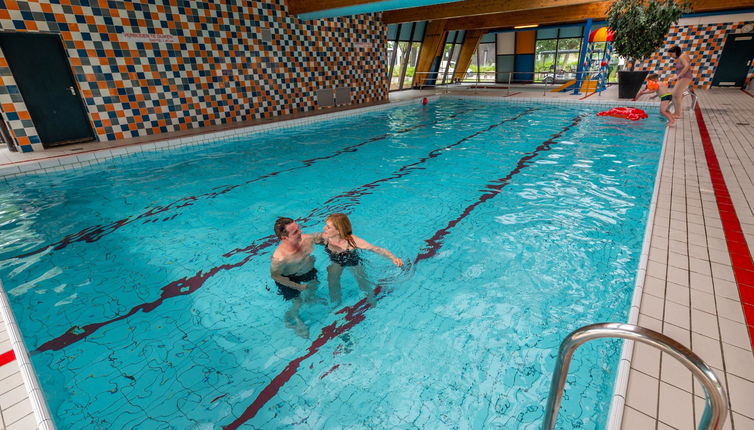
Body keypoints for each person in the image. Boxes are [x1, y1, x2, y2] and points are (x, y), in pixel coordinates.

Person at [322, 213, 403, 307]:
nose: (324, 228)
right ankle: (335, 301)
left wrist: (393, 258)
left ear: (338, 231)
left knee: (363, 283)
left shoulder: (353, 241)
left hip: (352, 261)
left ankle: (370, 296)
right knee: (332, 280)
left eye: (328, 227)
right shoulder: (325, 237)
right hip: (335, 260)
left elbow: (376, 249)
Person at [270, 217, 324, 338]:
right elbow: (275, 276)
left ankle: (310, 298)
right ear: (284, 237)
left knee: (314, 285)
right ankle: (293, 319)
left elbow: (322, 239)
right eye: (295, 232)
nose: (300, 232)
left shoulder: (306, 239)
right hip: (288, 278)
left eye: (298, 229)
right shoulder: (279, 258)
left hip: (305, 270)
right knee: (297, 303)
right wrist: (298, 287)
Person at [668, 45, 694, 119]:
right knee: (675, 95)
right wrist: (673, 66)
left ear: (675, 52)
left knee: (676, 95)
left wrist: (678, 76)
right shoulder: (681, 57)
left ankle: (678, 114)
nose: (671, 56)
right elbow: (682, 66)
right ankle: (677, 112)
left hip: (685, 77)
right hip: (683, 77)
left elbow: (687, 66)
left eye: (671, 54)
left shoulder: (682, 56)